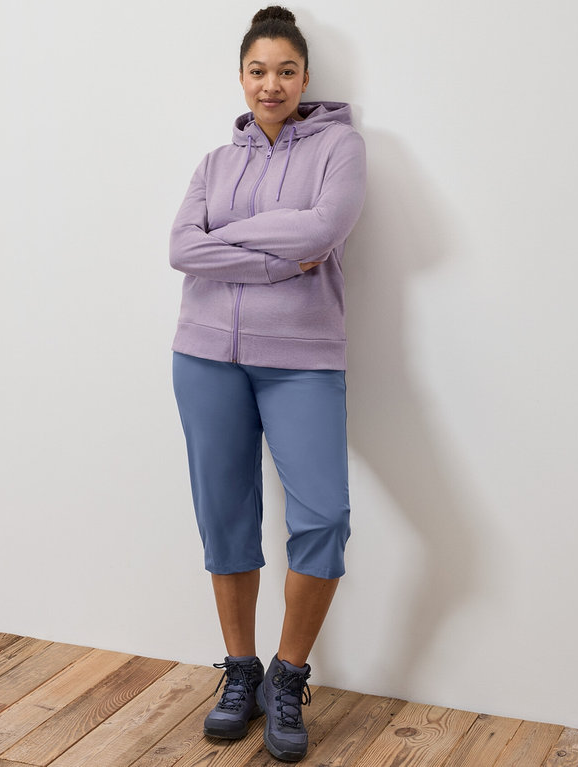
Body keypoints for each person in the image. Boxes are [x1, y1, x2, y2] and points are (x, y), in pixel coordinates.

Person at [169, 5, 366, 762]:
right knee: (225, 514)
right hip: (204, 356)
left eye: (286, 70)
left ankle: (288, 675)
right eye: (258, 70)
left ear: (306, 76)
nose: (272, 83)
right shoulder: (216, 163)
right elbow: (181, 248)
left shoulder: (340, 147)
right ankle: (240, 671)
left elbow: (324, 229)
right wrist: (280, 253)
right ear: (242, 77)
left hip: (304, 359)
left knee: (323, 516)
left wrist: (234, 242)